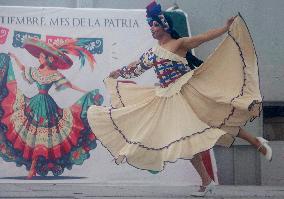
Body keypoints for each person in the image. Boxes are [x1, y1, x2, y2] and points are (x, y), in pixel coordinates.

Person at [87, 1, 272, 197]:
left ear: (164, 26)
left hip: (188, 91)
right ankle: (207, 181)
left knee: (217, 119)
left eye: (155, 25)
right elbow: (138, 66)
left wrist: (226, 28)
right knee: (184, 139)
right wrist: (120, 72)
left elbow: (203, 38)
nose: (152, 28)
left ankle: (256, 142)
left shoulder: (179, 44)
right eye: (150, 25)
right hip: (169, 97)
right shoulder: (153, 51)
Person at [0, 38, 102, 179]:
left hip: (48, 105)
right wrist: (15, 58)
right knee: (33, 134)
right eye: (39, 56)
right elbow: (23, 69)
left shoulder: (55, 75)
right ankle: (33, 167)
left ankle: (35, 167)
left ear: (48, 58)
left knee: (46, 135)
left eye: (41, 57)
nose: (39, 59)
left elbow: (69, 85)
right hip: (35, 104)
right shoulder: (36, 71)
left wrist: (85, 92)